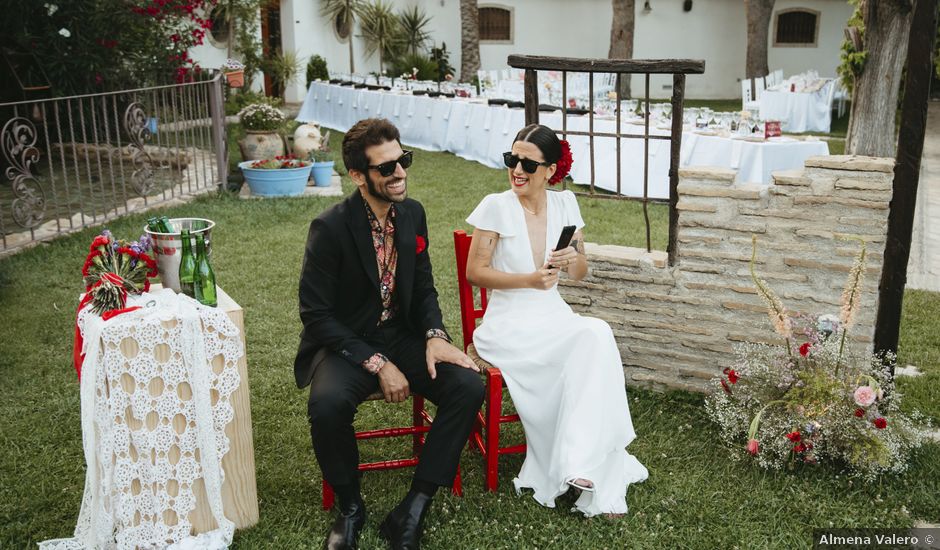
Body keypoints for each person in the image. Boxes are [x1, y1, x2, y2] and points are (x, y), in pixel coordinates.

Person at [295, 118, 484, 549]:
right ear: (359, 176)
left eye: (403, 161)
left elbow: (424, 286)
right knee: (326, 406)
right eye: (386, 168)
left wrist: (436, 334)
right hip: (348, 342)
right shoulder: (330, 228)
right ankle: (350, 508)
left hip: (401, 334)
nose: (399, 173)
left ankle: (411, 509)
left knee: (467, 387)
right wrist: (379, 364)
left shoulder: (413, 214)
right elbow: (316, 314)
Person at [465, 124, 648, 517]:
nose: (517, 169)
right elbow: (475, 273)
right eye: (511, 159)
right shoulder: (496, 206)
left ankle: (583, 464)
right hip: (508, 325)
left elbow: (580, 271)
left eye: (528, 163)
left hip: (553, 315)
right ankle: (582, 464)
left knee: (596, 333)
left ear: (551, 170)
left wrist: (572, 259)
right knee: (585, 347)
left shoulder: (566, 206)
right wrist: (528, 280)